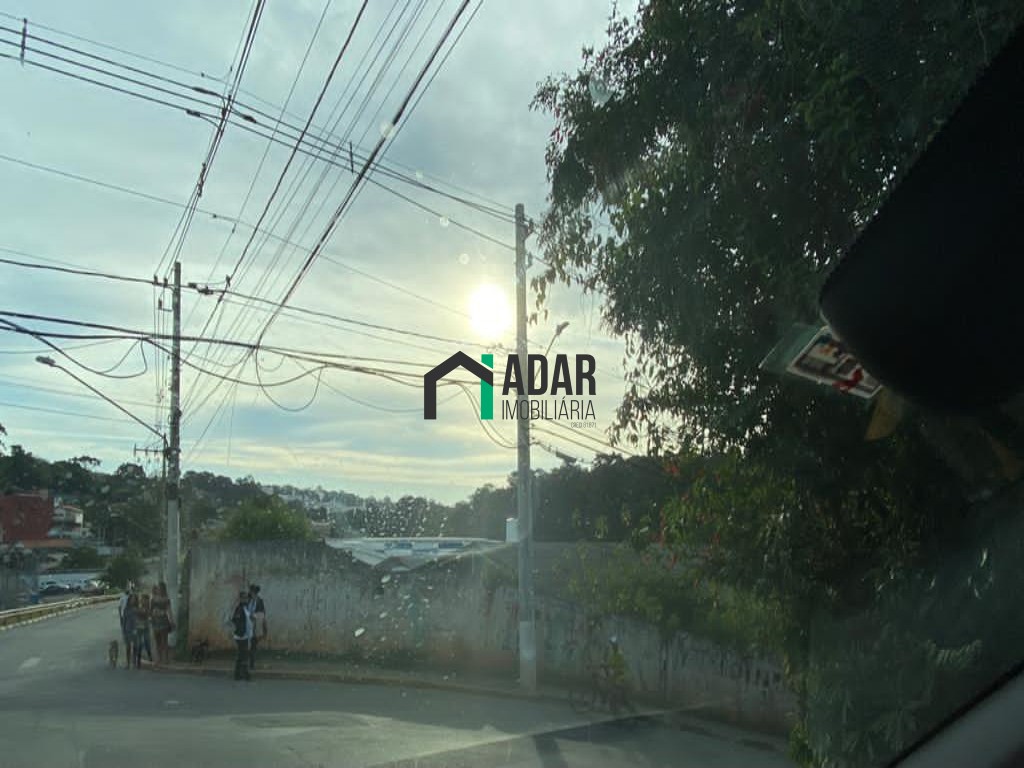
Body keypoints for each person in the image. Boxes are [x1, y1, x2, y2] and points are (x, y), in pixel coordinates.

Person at [228, 590, 253, 681]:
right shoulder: (239, 608)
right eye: (244, 598)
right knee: (243, 655)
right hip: (241, 636)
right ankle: (244, 675)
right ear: (241, 599)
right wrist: (241, 631)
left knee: (242, 655)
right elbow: (236, 620)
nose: (246, 599)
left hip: (245, 635)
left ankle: (238, 674)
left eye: (247, 598)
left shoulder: (245, 608)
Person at [150, 582, 173, 666]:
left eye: (160, 588)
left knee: (164, 641)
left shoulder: (166, 599)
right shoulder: (153, 599)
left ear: (163, 589)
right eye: (158, 588)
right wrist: (151, 618)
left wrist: (171, 621)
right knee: (157, 641)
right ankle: (159, 658)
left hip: (163, 621)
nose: (159, 590)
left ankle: (165, 659)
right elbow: (150, 610)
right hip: (156, 621)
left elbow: (169, 610)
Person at [247, 584, 267, 671]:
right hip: (247, 625)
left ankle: (251, 663)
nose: (252, 593)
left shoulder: (259, 601)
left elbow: (262, 613)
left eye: (254, 592)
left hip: (255, 625)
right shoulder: (248, 600)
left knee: (253, 644)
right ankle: (248, 661)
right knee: (247, 644)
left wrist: (254, 616)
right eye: (252, 592)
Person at [134, 593, 153, 668]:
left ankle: (150, 657)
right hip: (139, 627)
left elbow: (149, 615)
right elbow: (137, 614)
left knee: (147, 643)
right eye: (143, 599)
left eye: (145, 600)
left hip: (145, 627)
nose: (144, 601)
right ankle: (138, 661)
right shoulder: (138, 606)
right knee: (139, 644)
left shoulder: (148, 607)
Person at [121, 593, 138, 670]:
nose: (133, 601)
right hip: (128, 629)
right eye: (131, 599)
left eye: (134, 599)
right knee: (128, 647)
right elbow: (124, 620)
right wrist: (123, 631)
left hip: (136, 629)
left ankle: (134, 662)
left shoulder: (137, 609)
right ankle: (127, 663)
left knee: (135, 647)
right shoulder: (126, 609)